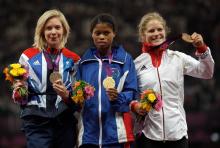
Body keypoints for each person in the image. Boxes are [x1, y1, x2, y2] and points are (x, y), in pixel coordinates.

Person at [130, 12, 214, 148]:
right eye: (151, 30)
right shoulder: (136, 64)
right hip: (148, 135)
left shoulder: (178, 58)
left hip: (177, 134)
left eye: (159, 29)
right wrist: (135, 106)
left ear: (165, 32)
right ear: (143, 35)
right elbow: (127, 95)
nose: (156, 33)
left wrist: (201, 47)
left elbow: (207, 72)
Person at [12, 9, 80, 148]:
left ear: (64, 31)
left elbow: (78, 102)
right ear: (42, 31)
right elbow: (21, 97)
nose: (53, 32)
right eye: (48, 28)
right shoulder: (27, 56)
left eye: (57, 27)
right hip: (37, 121)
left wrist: (66, 95)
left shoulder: (74, 59)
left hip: (64, 121)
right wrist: (20, 91)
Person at [76, 13, 138, 148]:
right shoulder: (84, 63)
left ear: (114, 33)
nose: (102, 37)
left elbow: (132, 92)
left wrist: (118, 97)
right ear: (91, 34)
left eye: (106, 32)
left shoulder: (125, 60)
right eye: (97, 33)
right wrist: (78, 97)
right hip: (88, 134)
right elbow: (77, 93)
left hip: (116, 133)